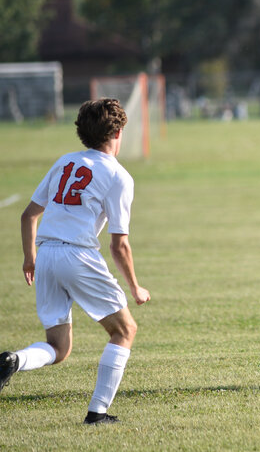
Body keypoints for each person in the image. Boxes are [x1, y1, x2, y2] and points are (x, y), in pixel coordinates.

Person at [0, 98, 150, 424]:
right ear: (119, 131)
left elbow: (29, 216)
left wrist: (30, 259)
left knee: (59, 347)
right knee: (125, 330)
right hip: (77, 255)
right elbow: (119, 244)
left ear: (82, 133)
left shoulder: (65, 161)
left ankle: (13, 360)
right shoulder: (118, 175)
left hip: (46, 255)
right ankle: (98, 413)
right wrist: (136, 287)